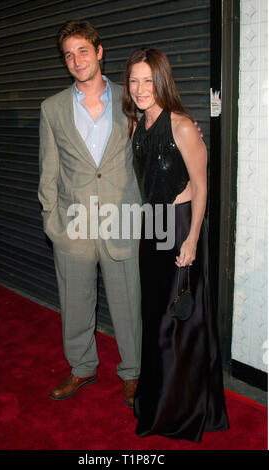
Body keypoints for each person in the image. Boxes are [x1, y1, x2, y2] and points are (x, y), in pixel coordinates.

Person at [122, 48, 229, 442]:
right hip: (152, 231)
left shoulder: (183, 126)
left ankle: (179, 409)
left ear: (162, 80)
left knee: (176, 322)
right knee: (154, 320)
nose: (140, 88)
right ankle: (156, 399)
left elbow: (202, 187)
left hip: (181, 229)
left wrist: (193, 239)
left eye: (148, 79)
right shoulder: (136, 127)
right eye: (133, 80)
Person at [38, 20, 142, 407]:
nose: (76, 60)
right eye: (68, 54)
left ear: (99, 52)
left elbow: (156, 141)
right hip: (73, 225)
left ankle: (132, 373)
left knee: (129, 304)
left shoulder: (131, 98)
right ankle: (82, 367)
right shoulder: (52, 109)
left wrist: (188, 133)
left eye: (83, 50)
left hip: (123, 221)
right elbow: (48, 170)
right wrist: (52, 221)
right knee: (75, 302)